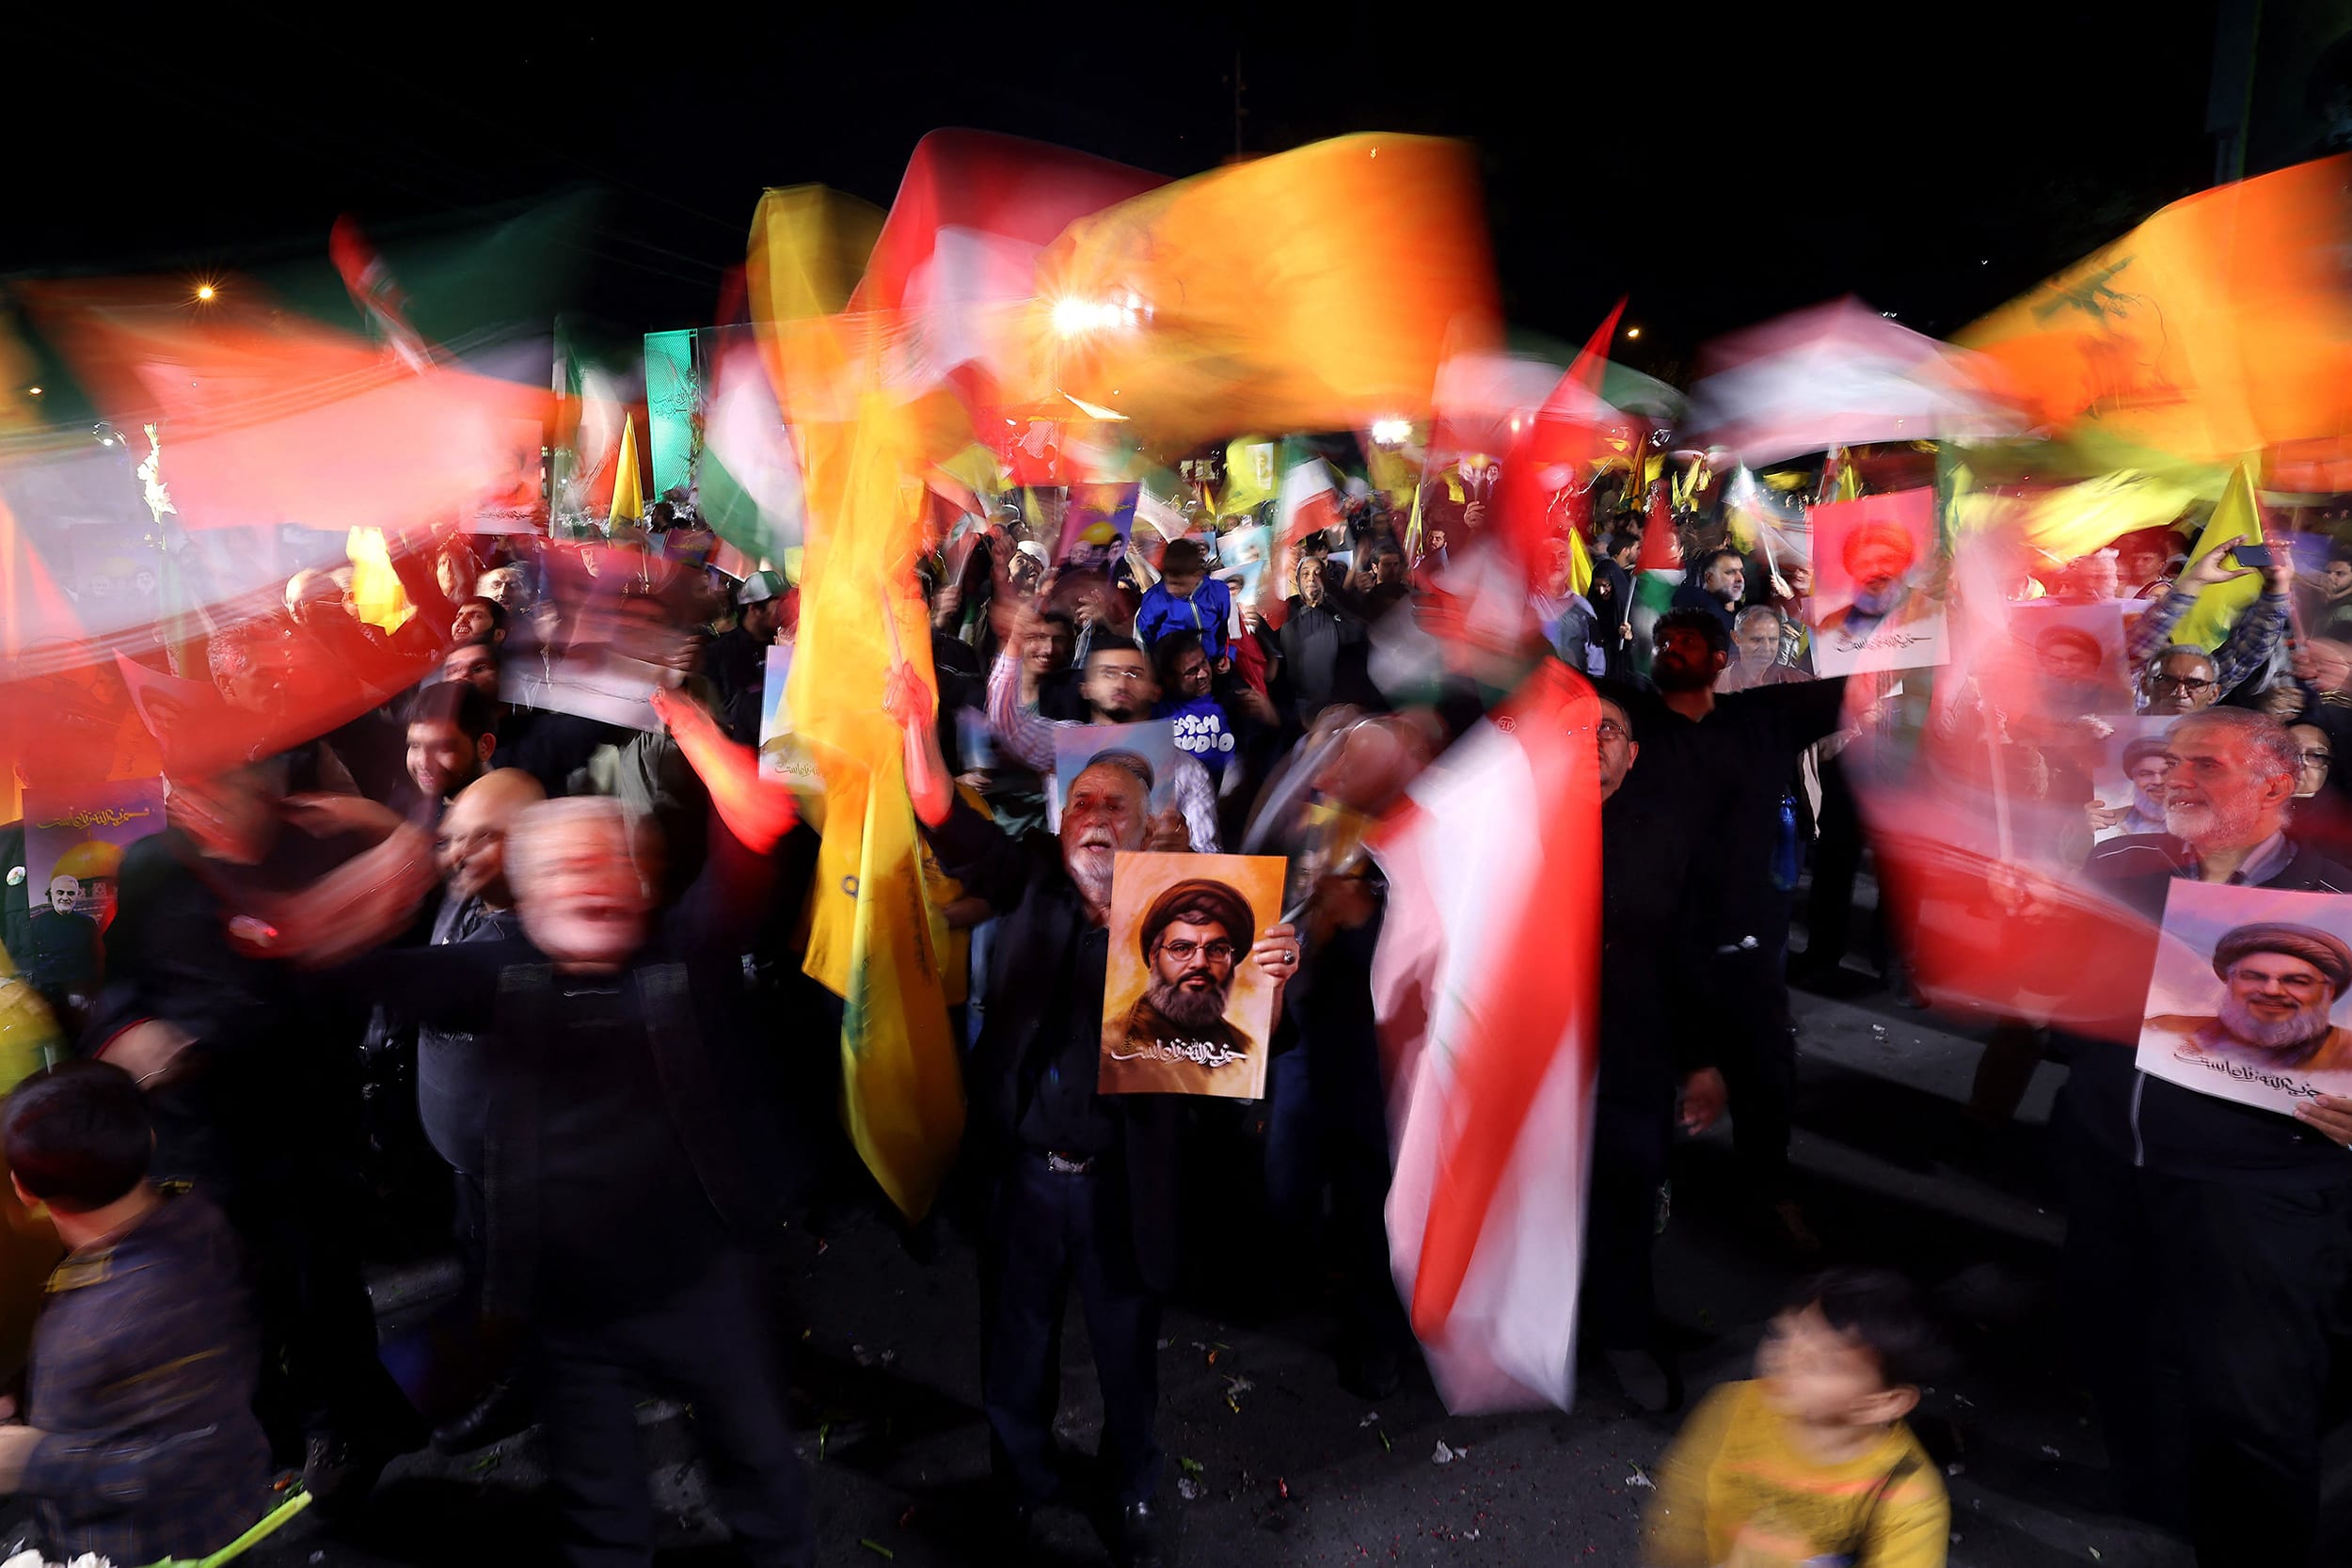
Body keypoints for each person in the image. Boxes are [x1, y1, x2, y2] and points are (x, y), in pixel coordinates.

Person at [316, 689, 818, 1567]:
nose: (584, 883)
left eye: (602, 864)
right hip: (569, 1308)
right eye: (559, 871)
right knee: (603, 1518)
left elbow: (759, 824)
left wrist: (696, 731)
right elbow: (347, 967)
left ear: (640, 878)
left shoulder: (686, 950)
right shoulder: (497, 971)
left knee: (763, 1481)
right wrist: (357, 863)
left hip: (701, 1284)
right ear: (529, 896)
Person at [894, 660, 1297, 1567]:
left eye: (1119, 807)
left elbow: (1251, 1036)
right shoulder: (1029, 877)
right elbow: (942, 817)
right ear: (1059, 823)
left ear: (1153, 824)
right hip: (1025, 1183)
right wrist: (919, 725)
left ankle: (1135, 1490)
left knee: (1127, 1358)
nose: (1100, 821)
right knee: (1016, 1352)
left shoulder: (1194, 912)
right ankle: (1026, 1487)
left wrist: (1272, 974)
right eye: (1084, 806)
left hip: (1127, 1185)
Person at [2061, 705, 2352, 1562]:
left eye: (2207, 765)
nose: (2177, 778)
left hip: (2259, 1191)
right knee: (2123, 1351)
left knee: (2255, 1400)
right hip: (2117, 1165)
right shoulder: (2125, 867)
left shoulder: (2339, 900)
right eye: (2173, 760)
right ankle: (2156, 1500)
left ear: (2277, 781)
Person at [1608, 609, 1850, 1249]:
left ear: (1722, 656)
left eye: (1689, 642)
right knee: (1646, 1080)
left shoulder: (1764, 716)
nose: (1673, 648)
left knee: (1767, 1074)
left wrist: (1883, 607)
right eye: (1665, 640)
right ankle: (1644, 1198)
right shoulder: (1633, 718)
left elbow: (1866, 682)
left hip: (1741, 940)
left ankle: (1766, 1189)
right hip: (1650, 941)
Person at [0, 1061, 275, 1565]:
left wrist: (32, 1459)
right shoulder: (189, 1211)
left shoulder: (142, 1306)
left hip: (161, 1545)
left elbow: (194, 1458)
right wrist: (24, 1396)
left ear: (24, 1189)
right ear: (149, 1139)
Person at [1584, 694, 1724, 1413]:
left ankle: (1624, 1333)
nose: (1595, 740)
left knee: (1627, 1199)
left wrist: (1702, 1060)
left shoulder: (1666, 835)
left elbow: (1693, 952)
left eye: (1610, 730)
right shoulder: (1521, 828)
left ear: (1632, 754)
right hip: (1537, 1057)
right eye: (1580, 728)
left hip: (1634, 1051)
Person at [1644, 1269, 1951, 1568]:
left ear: (1884, 1403)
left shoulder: (1908, 1497)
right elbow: (1684, 1503)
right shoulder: (1736, 1406)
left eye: (1822, 1363)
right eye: (1785, 1335)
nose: (1786, 1358)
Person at [987, 609, 1221, 853]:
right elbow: (1005, 724)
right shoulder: (1062, 744)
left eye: (1134, 673)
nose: (1121, 682)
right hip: (1069, 887)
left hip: (1149, 888)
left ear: (1155, 690)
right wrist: (1014, 643)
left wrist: (1186, 853)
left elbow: (1212, 860)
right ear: (1087, 688)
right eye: (1108, 673)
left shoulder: (1189, 771)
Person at [1104, 876, 1261, 1091]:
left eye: (1216, 950)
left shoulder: (1246, 1050)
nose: (1200, 963)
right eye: (1181, 948)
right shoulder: (1116, 1044)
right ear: (1153, 957)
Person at [2142, 921, 2352, 1076]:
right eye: (2252, 977)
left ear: (2329, 991)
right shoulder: (2166, 1031)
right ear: (2229, 982)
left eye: (2297, 981)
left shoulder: (2347, 1057)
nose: (2272, 990)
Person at [2124, 531, 2291, 711]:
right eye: (2167, 680)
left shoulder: (2201, 727)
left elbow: (2247, 653)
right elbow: (2140, 645)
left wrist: (2277, 586)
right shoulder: (2126, 704)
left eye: (2195, 683)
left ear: (2213, 693)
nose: (2180, 692)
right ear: (2145, 683)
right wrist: (2195, 581)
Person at [1274, 555, 1367, 724]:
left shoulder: (1336, 608)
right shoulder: (1286, 612)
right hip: (1299, 712)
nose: (1312, 578)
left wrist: (1332, 600)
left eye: (1318, 573)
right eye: (1306, 573)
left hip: (1337, 708)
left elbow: (1359, 633)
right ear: (1297, 581)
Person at [402, 679, 499, 821]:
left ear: (485, 746)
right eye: (415, 745)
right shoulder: (429, 808)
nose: (423, 763)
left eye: (442, 748)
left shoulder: (503, 822)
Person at [1816, 523, 1924, 641]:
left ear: (1904, 562)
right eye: (1863, 565)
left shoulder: (1932, 608)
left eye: (1885, 560)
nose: (1874, 571)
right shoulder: (1833, 624)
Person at [706, 568, 790, 719]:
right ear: (755, 609)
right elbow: (725, 712)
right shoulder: (721, 653)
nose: (787, 611)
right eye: (780, 605)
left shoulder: (787, 644)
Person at [1134, 539, 1232, 667]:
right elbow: (1144, 636)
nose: (1172, 589)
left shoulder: (1218, 592)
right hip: (1174, 669)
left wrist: (1225, 656)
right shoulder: (1155, 599)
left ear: (1198, 575)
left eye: (1180, 584)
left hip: (1210, 663)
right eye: (1169, 582)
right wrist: (1153, 666)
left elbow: (1226, 628)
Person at [2086, 735, 2170, 839]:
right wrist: (2086, 835)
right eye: (2145, 774)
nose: (2158, 781)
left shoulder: (2193, 822)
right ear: (2132, 777)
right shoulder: (2111, 821)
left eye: (2166, 773)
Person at [1718, 605, 1808, 692]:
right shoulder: (1716, 684)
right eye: (1757, 640)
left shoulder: (1799, 680)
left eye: (1773, 640)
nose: (1766, 648)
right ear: (1736, 638)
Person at [1671, 547, 1745, 633]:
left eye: (1741, 572)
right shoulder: (1697, 611)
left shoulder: (1747, 615)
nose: (1740, 579)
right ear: (1709, 577)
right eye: (1730, 572)